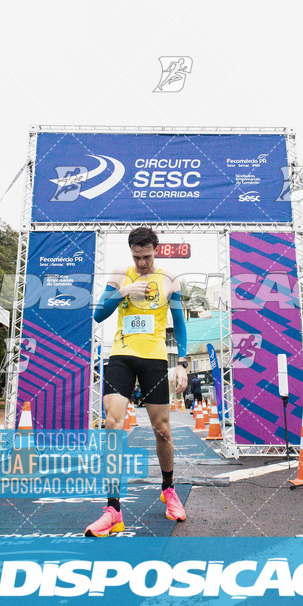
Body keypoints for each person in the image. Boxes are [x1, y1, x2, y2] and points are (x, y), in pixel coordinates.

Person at [84, 226, 188, 537]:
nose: (142, 263)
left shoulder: (170, 280)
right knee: (113, 425)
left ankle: (168, 489)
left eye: (146, 256)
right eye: (136, 257)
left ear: (156, 250)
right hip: (121, 355)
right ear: (131, 253)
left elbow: (180, 323)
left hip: (154, 358)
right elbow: (99, 315)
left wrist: (181, 363)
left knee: (163, 429)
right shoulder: (121, 274)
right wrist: (123, 292)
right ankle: (113, 509)